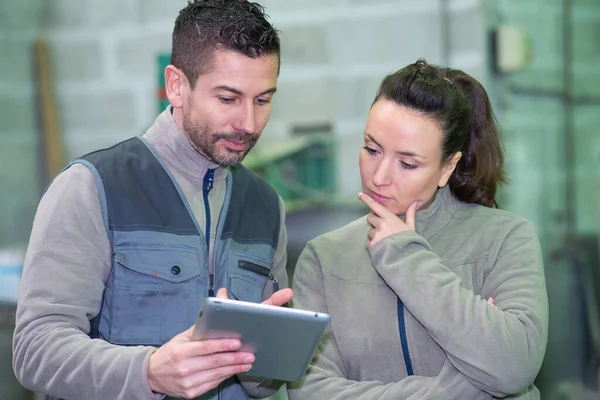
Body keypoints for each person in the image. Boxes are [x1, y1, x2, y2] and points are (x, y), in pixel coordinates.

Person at [12, 1, 293, 399]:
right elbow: (35, 350)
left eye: (263, 100)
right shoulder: (93, 187)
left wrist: (266, 353)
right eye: (228, 99)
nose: (248, 123)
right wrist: (147, 373)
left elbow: (263, 385)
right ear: (177, 85)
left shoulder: (266, 205)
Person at [288, 59, 549, 399]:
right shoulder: (324, 258)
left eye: (408, 163)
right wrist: (474, 384)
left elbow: (513, 367)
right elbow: (310, 391)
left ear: (447, 167)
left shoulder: (505, 239)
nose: (379, 176)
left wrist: (407, 259)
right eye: (371, 149)